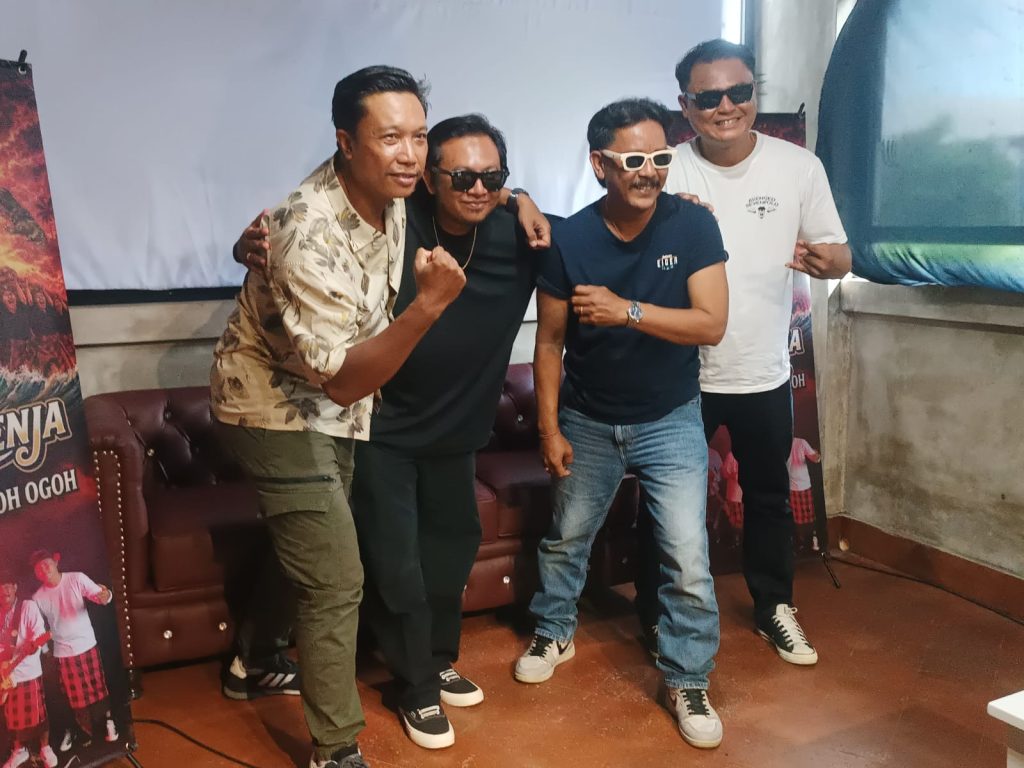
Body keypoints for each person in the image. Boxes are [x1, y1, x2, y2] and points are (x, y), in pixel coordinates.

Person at [234, 113, 546, 750]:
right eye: (462, 176)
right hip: (379, 425)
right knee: (396, 564)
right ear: (431, 177)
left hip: (458, 432)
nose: (478, 189)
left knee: (450, 552)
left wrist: (523, 198)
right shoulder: (395, 224)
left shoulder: (521, 233)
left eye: (493, 178)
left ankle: (435, 658)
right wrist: (248, 248)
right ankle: (415, 686)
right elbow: (301, 237)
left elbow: (604, 227)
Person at [210, 64, 469, 768]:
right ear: (346, 142)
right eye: (390, 138)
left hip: (330, 406)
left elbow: (476, 182)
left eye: (419, 136)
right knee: (334, 578)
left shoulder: (394, 191)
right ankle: (335, 749)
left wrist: (524, 201)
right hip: (271, 407)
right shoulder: (306, 229)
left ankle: (254, 661)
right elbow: (348, 381)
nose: (410, 155)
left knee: (310, 539)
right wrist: (428, 306)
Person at [515, 97, 729, 750]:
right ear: (600, 164)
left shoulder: (693, 227)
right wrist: (549, 429)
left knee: (686, 557)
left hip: (670, 418)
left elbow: (711, 324)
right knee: (566, 537)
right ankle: (554, 631)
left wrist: (626, 310)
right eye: (634, 160)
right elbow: (549, 342)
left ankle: (688, 678)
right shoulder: (570, 240)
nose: (650, 172)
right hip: (587, 418)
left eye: (660, 157)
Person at [634, 38, 851, 667]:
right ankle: (656, 615)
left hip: (763, 369)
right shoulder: (664, 167)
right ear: (685, 105)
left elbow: (840, 254)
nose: (726, 106)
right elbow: (620, 246)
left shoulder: (797, 166)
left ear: (755, 93)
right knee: (666, 504)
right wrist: (664, 220)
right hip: (679, 373)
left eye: (740, 92)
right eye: (709, 97)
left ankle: (774, 606)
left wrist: (830, 261)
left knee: (768, 496)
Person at [28, 551, 118, 749]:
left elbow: (101, 596)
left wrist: (106, 595)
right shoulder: (37, 598)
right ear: (36, 574)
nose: (44, 569)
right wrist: (43, 648)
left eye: (46, 563)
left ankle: (108, 722)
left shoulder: (76, 578)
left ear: (55, 562)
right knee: (74, 697)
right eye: (39, 568)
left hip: (87, 644)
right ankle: (85, 732)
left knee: (98, 687)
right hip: (63, 653)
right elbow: (38, 628)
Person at [1, 571, 56, 768]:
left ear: (15, 587)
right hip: (7, 675)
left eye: (8, 585)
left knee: (39, 714)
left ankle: (45, 748)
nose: (4, 590)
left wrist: (34, 646)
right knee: (12, 718)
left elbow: (39, 633)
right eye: (1, 587)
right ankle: (19, 750)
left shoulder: (27, 607)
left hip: (29, 671)